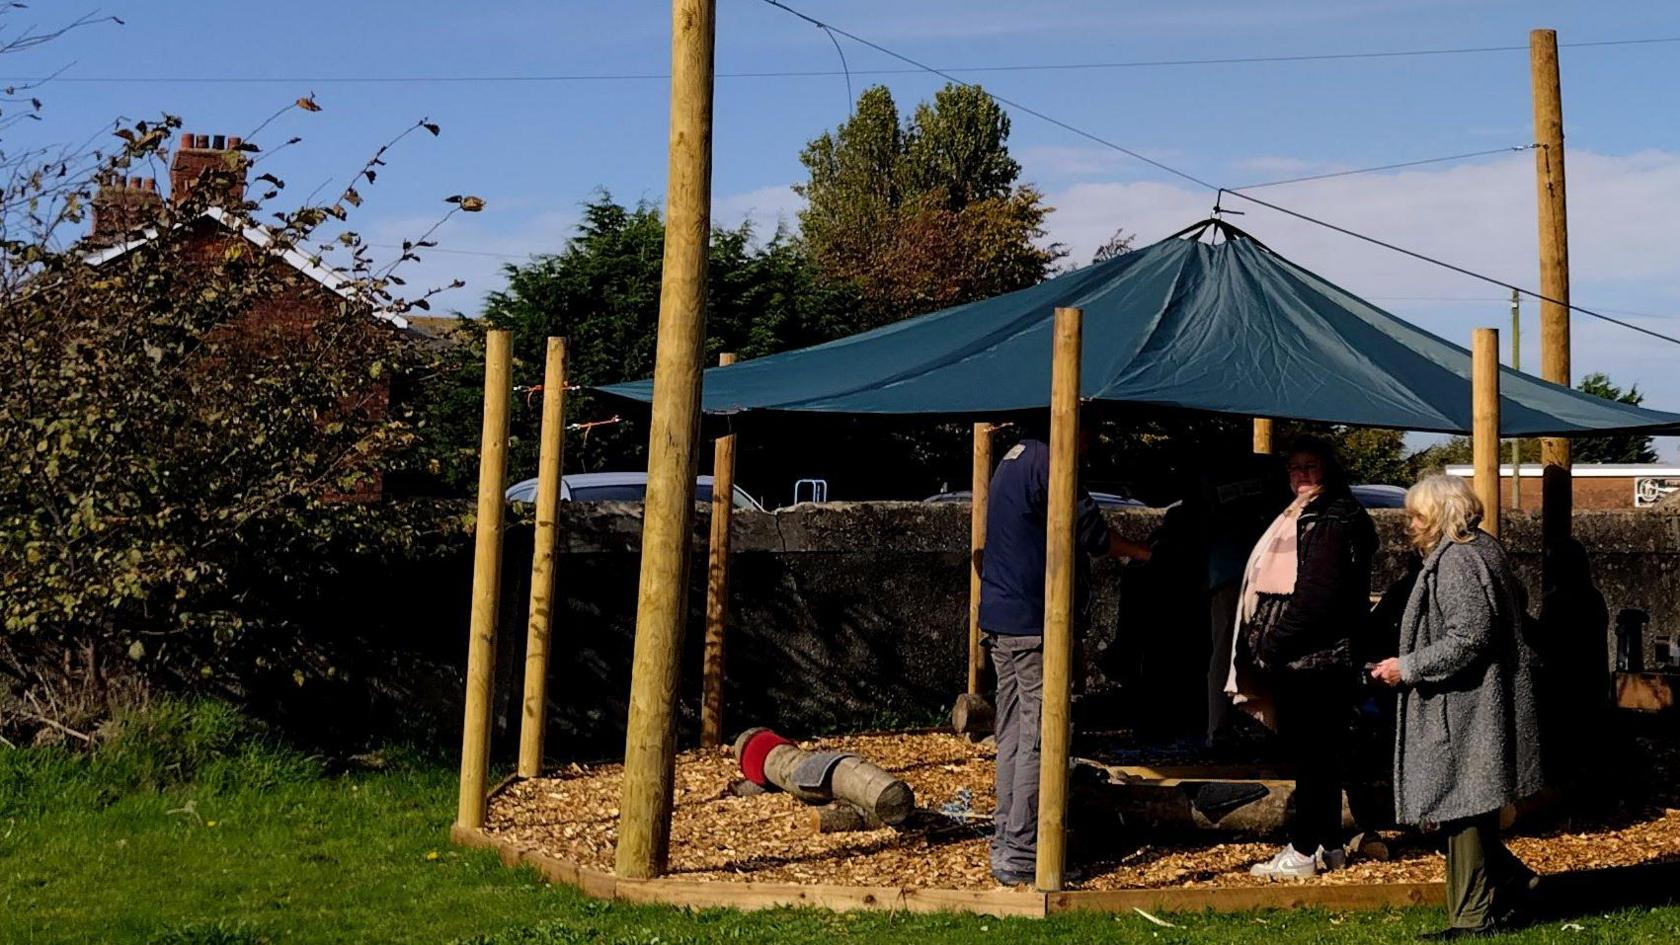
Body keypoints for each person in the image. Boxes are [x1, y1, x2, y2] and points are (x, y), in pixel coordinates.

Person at [1369, 474, 1542, 937]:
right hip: (1478, 701)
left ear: (1441, 515)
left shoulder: (1457, 560)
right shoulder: (1482, 548)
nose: (1410, 524)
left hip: (1465, 706)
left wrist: (1406, 666)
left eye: (1417, 515)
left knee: (1460, 804)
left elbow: (1469, 636)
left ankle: (1470, 918)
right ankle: (1514, 884)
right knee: (1469, 803)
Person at [979, 420, 1150, 887]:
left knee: (1012, 733)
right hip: (1036, 620)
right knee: (1041, 735)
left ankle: (1005, 839)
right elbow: (1091, 534)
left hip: (1001, 618)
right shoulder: (1053, 464)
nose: (1094, 440)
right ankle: (1023, 851)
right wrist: (1141, 552)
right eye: (1090, 430)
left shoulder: (1012, 458)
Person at [1229, 437, 1377, 880]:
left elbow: (1316, 596)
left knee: (1313, 757)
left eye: (1310, 467)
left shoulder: (1332, 520)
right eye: (1294, 468)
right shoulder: (1305, 516)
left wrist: (1272, 646)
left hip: (1316, 660)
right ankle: (1328, 845)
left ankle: (1303, 848)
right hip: (1308, 658)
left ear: (1328, 470)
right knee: (1320, 756)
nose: (1301, 476)